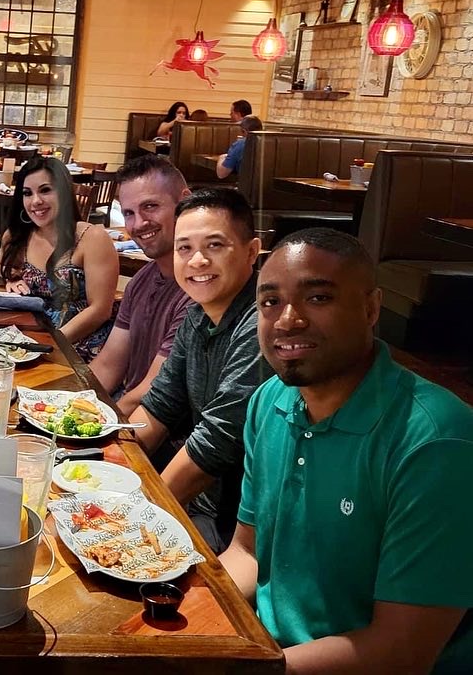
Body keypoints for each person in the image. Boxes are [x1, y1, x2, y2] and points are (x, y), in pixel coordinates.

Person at [220, 228, 473, 673]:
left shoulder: (436, 440)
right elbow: (248, 553)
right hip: (267, 651)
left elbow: (401, 651)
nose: (287, 320)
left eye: (317, 298)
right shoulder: (269, 401)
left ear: (371, 308)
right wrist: (184, 610)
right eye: (270, 301)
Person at [129, 187, 269, 552]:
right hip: (199, 504)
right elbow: (159, 408)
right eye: (184, 248)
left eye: (215, 246)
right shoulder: (197, 317)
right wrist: (109, 469)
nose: (197, 261)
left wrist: (136, 514)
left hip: (237, 529)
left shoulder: (262, 324)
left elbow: (217, 442)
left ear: (252, 251)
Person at [89, 156, 192, 417]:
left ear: (185, 203)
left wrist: (99, 424)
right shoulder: (141, 280)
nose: (138, 224)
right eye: (129, 213)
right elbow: (108, 365)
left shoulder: (198, 289)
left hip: (158, 427)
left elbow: (152, 391)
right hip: (125, 412)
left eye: (150, 206)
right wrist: (62, 407)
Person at [0, 155, 119, 363]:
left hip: (82, 349)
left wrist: (50, 344)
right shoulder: (17, 236)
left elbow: (100, 310)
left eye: (45, 190)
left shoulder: (92, 238)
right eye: (27, 193)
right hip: (33, 342)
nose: (36, 201)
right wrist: (12, 277)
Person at [216, 115, 263, 180]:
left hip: (246, 184)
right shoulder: (268, 143)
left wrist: (221, 158)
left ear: (244, 131)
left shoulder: (240, 144)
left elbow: (221, 174)